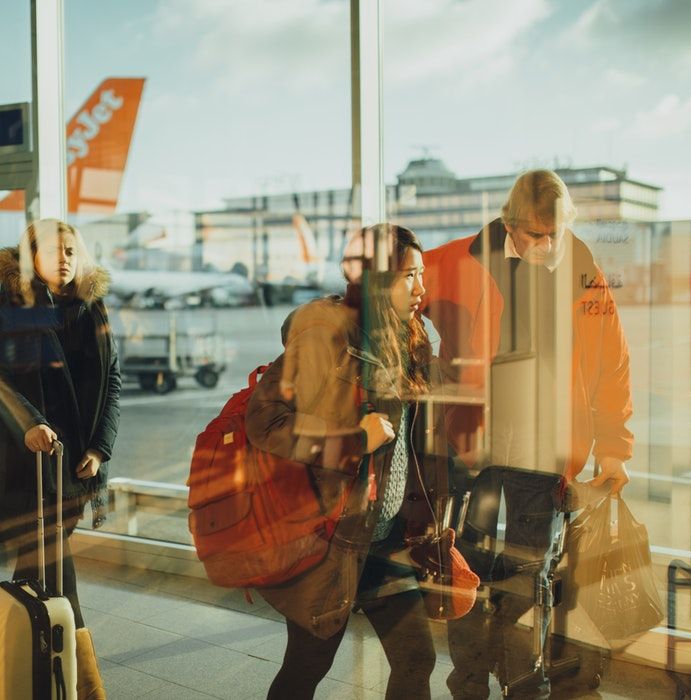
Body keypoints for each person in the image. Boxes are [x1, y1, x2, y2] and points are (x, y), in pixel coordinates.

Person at [421, 170, 634, 699]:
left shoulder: (584, 270)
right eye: (534, 235)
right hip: (476, 450)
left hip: (545, 453)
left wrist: (614, 450)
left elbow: (613, 364)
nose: (545, 246)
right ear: (510, 224)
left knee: (527, 575)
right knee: (468, 571)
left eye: (554, 234)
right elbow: (394, 294)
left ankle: (517, 674)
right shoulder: (460, 259)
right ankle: (469, 680)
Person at [246, 224, 441, 699]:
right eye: (407, 276)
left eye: (421, 274)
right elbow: (265, 422)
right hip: (332, 539)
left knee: (417, 656)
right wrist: (355, 439)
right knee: (306, 669)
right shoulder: (327, 338)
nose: (421, 287)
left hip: (384, 535)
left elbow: (415, 441)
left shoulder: (410, 340)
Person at [0, 219, 119, 700]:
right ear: (29, 256)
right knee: (55, 574)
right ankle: (82, 687)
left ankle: (17, 667)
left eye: (72, 249)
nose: (65, 258)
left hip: (76, 467)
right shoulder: (7, 308)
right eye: (54, 250)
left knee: (37, 575)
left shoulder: (92, 309)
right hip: (28, 463)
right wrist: (30, 420)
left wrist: (100, 447)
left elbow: (112, 381)